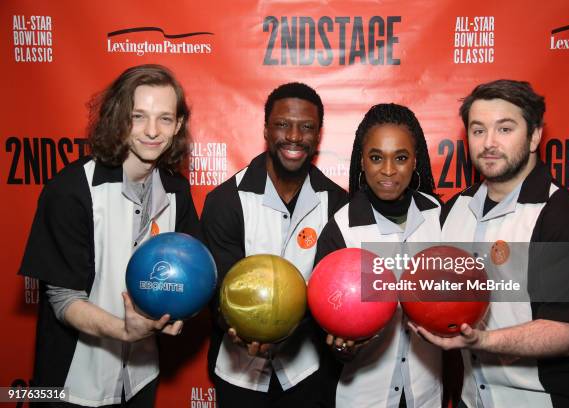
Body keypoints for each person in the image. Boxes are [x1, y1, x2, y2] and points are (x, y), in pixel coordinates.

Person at [409, 79, 569, 407]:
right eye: (478, 130)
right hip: (474, 399)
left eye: (504, 129)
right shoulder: (452, 212)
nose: (489, 142)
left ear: (534, 137)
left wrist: (482, 339)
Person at [19, 64, 198, 407]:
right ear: (119, 118)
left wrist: (180, 312)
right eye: (138, 116)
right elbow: (63, 299)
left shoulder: (177, 191)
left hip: (140, 378)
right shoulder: (71, 190)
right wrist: (124, 330)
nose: (151, 131)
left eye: (164, 118)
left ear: (177, 126)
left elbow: (192, 276)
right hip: (71, 383)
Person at [199, 82, 348, 407]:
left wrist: (287, 333)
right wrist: (243, 329)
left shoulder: (337, 204)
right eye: (282, 124)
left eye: (306, 127)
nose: (294, 136)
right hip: (239, 373)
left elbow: (333, 291)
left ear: (319, 135)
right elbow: (218, 291)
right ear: (266, 129)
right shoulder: (225, 201)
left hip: (309, 373)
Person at [314, 103, 443, 407]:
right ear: (362, 161)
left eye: (400, 158)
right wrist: (342, 347)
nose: (387, 170)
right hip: (362, 397)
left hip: (425, 395)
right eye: (376, 158)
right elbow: (324, 322)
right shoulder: (341, 228)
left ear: (415, 161)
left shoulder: (441, 218)